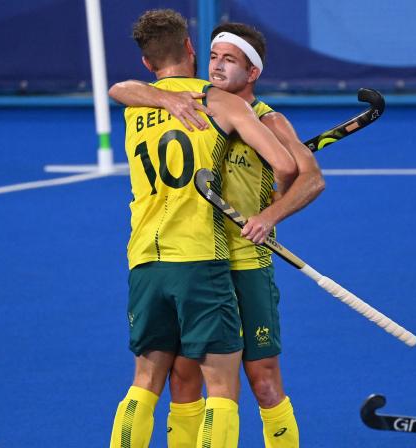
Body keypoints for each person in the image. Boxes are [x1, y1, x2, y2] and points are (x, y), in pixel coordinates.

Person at [109, 22, 325, 448]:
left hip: (244, 260)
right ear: (195, 53)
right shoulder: (195, 102)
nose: (218, 65)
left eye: (230, 59)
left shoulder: (267, 119)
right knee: (185, 380)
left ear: (253, 72)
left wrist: (269, 215)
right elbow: (124, 88)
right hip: (204, 259)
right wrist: (162, 95)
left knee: (263, 382)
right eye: (213, 56)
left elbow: (308, 178)